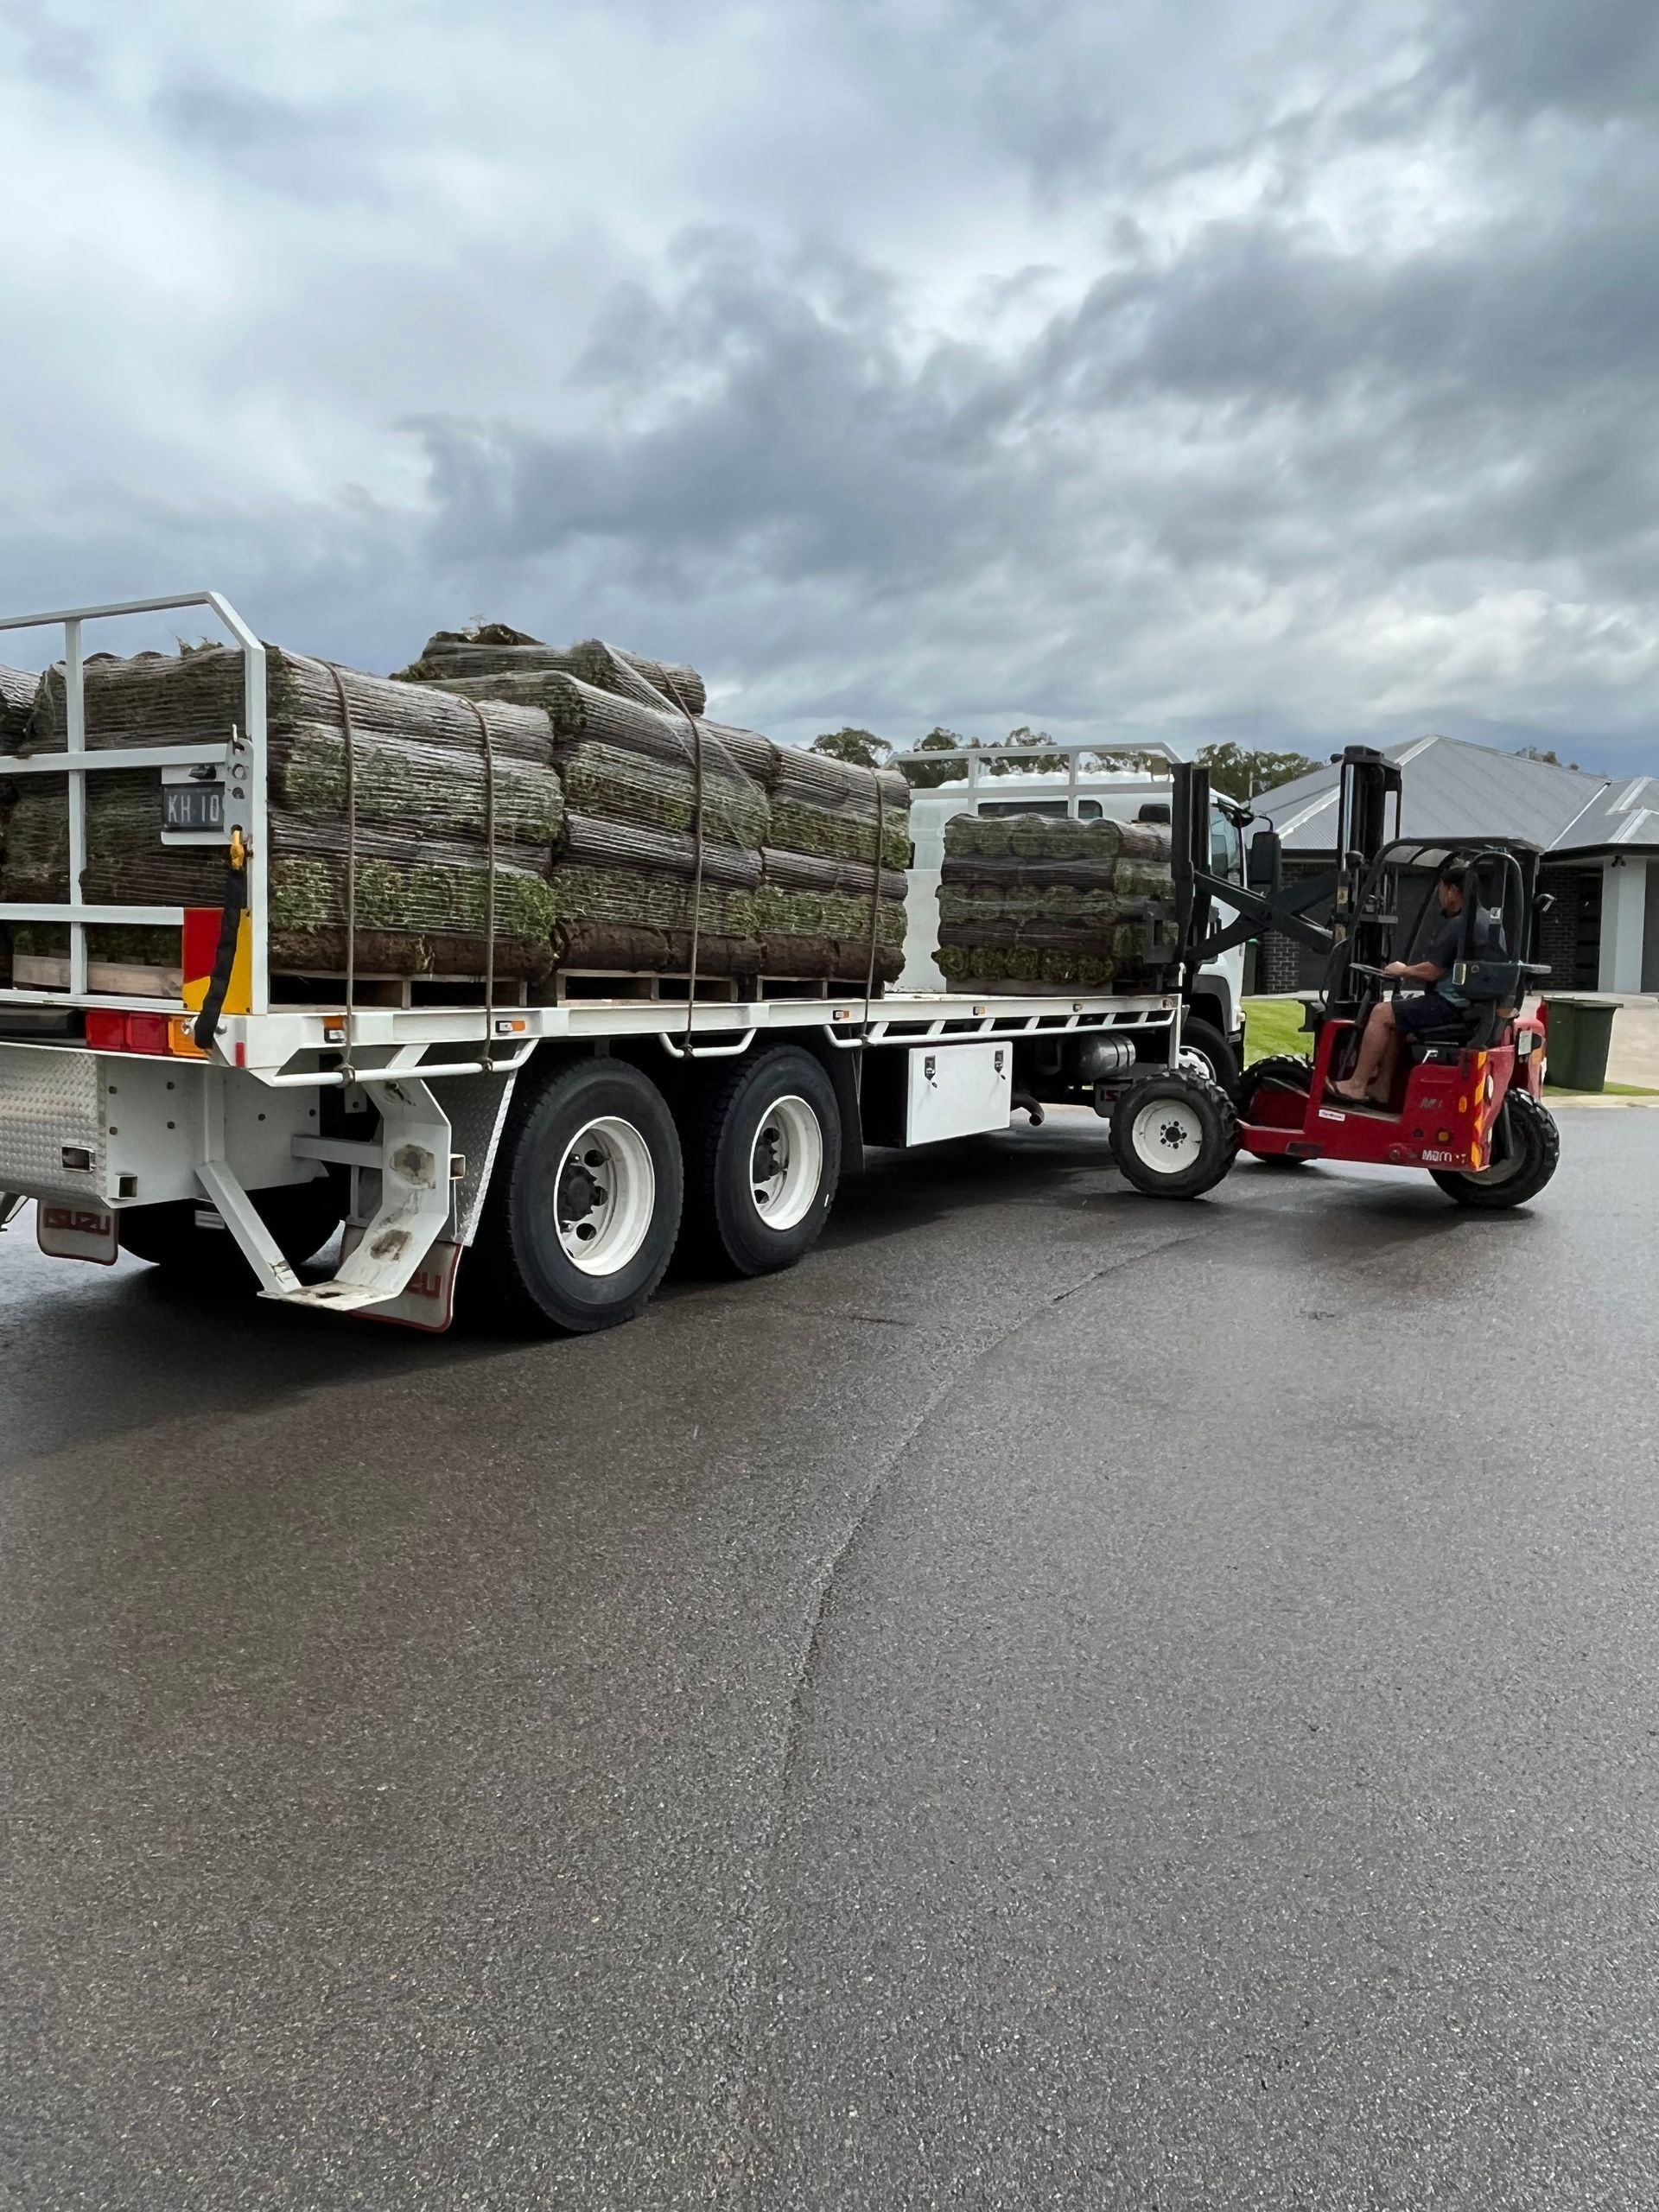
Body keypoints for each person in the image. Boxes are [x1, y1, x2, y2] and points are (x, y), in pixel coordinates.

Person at [1328, 861, 1495, 1106]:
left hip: (1452, 1006)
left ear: (1452, 892)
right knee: (1398, 1018)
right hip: (1470, 1006)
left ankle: (1356, 1084)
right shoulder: (1485, 920)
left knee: (1382, 1012)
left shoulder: (1461, 925)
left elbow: (1432, 971)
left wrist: (1402, 970)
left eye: (1441, 889)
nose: (1440, 896)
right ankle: (1382, 1088)